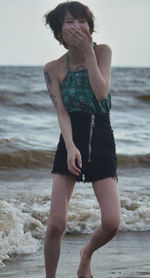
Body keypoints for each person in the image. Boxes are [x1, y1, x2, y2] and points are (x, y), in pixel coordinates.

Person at [43, 1, 121, 278]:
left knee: (112, 222)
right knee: (56, 224)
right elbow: (61, 113)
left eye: (81, 21)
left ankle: (86, 254)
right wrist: (71, 146)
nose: (77, 26)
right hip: (70, 138)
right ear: (59, 32)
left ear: (89, 26)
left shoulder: (102, 52)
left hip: (101, 134)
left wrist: (88, 53)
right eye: (69, 22)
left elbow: (101, 94)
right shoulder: (53, 68)